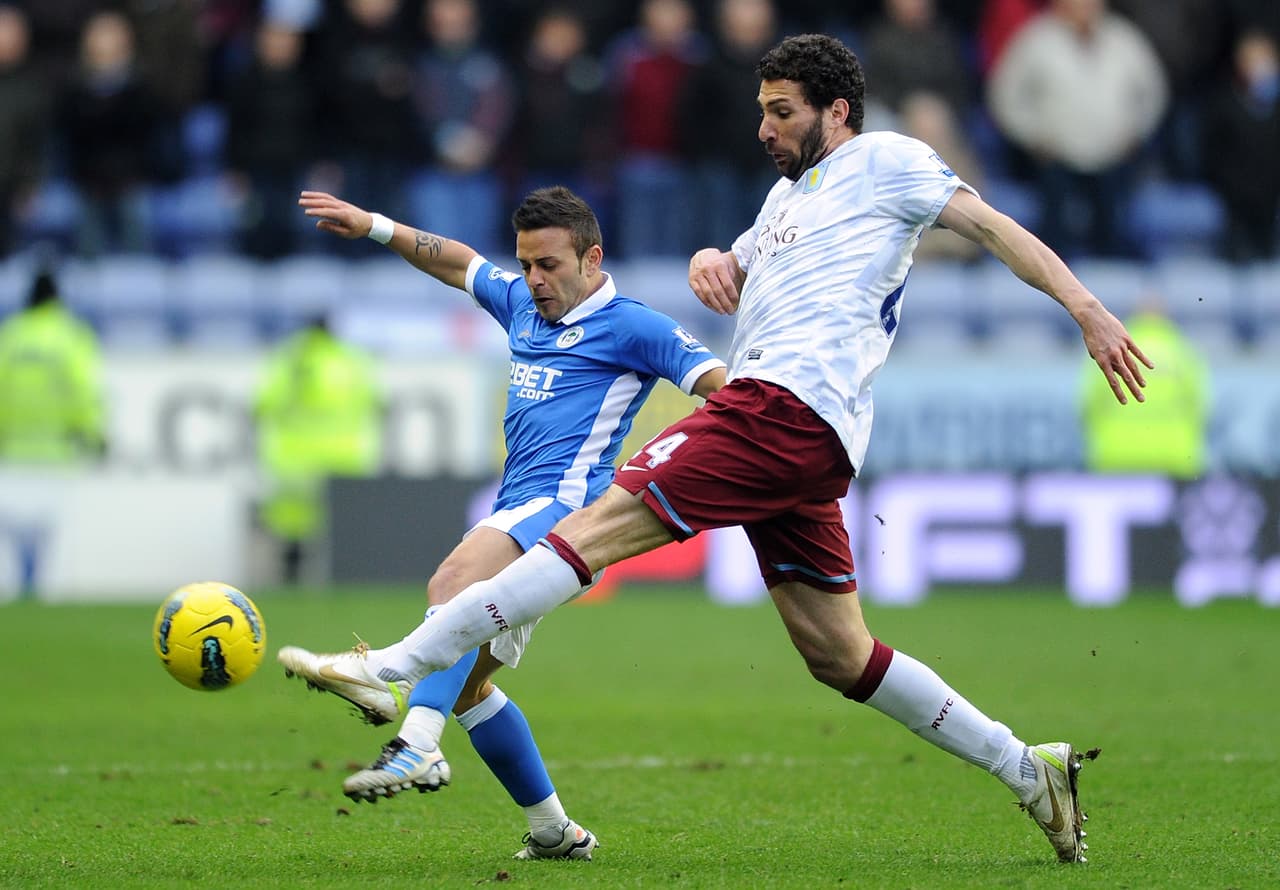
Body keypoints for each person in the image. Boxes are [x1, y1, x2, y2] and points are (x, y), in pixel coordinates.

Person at [280, 34, 1151, 864]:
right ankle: (1026, 768)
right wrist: (713, 260)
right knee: (838, 654)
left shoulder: (888, 160)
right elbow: (739, 268)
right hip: (797, 431)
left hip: (782, 408)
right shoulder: (786, 200)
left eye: (781, 112)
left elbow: (991, 227)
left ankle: (390, 665)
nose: (763, 128)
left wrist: (1085, 308)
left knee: (596, 526)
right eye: (762, 111)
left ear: (837, 112)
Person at [280, 186, 726, 860]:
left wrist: (681, 466)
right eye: (526, 265)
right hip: (517, 506)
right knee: (467, 684)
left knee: (452, 585)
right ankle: (555, 832)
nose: (534, 279)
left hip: (567, 512)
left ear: (592, 258)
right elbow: (457, 261)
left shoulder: (637, 327)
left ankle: (415, 741)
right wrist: (372, 224)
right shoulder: (521, 303)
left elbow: (724, 390)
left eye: (549, 265)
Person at [254, 313, 383, 585]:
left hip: (296, 456)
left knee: (294, 525)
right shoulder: (352, 359)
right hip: (345, 455)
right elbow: (376, 402)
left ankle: (293, 577)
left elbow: (264, 403)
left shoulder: (292, 358)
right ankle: (345, 577)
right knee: (342, 525)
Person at [1080, 297, 1210, 479]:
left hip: (1117, 454)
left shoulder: (1110, 350)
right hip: (1173, 456)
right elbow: (1199, 405)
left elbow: (1089, 404)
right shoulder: (1183, 353)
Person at [0, 268, 105, 463]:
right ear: (57, 300)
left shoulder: (9, 335)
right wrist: (94, 435)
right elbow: (84, 388)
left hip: (10, 455)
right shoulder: (73, 334)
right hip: (62, 453)